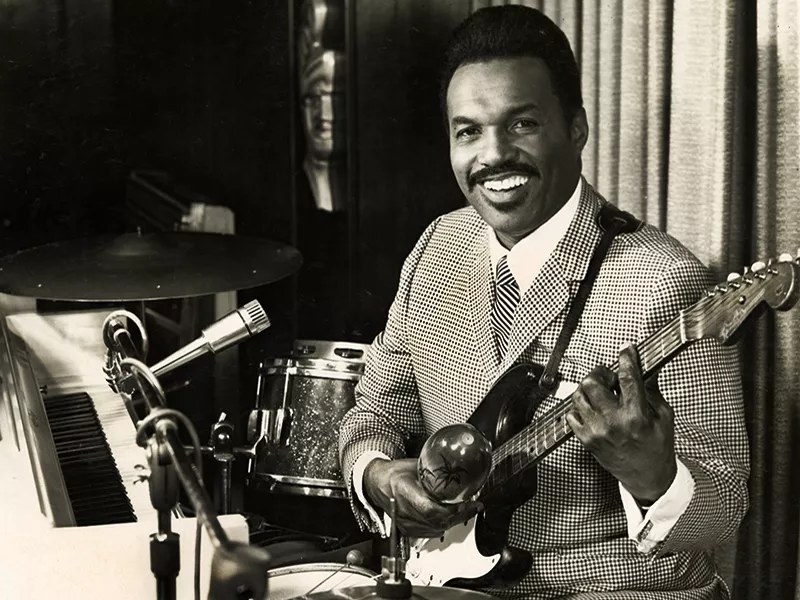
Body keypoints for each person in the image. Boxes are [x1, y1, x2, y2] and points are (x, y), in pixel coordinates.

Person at [338, 5, 749, 599]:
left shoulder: (665, 280)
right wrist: (376, 475)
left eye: (522, 124)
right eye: (468, 131)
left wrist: (653, 477)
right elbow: (375, 412)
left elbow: (726, 504)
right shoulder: (437, 245)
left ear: (576, 128)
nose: (493, 155)